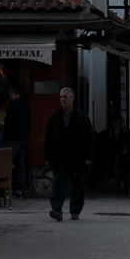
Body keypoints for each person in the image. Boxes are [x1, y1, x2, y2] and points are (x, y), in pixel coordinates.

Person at [44, 87, 95, 221]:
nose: (62, 100)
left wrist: (89, 156)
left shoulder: (82, 118)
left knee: (78, 184)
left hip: (77, 157)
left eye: (65, 97)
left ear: (72, 98)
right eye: (61, 97)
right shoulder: (55, 117)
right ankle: (56, 209)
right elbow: (49, 138)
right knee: (58, 184)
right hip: (60, 156)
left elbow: (90, 138)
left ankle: (75, 211)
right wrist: (47, 156)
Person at [2, 84, 31, 197]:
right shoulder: (25, 106)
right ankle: (21, 186)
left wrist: (5, 138)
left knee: (8, 163)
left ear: (11, 92)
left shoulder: (11, 107)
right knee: (21, 164)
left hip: (12, 139)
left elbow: (9, 124)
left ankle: (7, 186)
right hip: (23, 139)